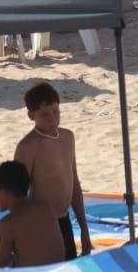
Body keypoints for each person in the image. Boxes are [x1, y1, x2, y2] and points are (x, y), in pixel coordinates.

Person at [13, 82, 91, 260]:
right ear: (31, 115)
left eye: (55, 111)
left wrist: (84, 229)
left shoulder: (67, 137)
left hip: (64, 220)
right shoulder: (28, 146)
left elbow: (74, 186)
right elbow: (18, 194)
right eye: (45, 114)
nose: (52, 119)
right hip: (39, 224)